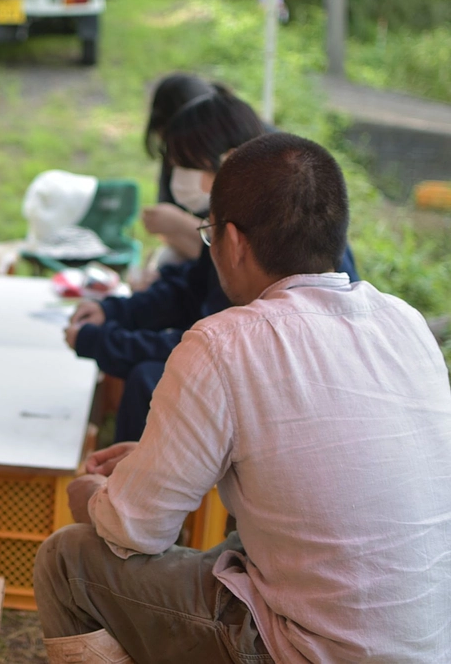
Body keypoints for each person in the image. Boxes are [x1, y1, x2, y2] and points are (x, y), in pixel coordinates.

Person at [36, 132, 451, 664]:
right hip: (429, 645)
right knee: (238, 548)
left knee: (67, 560)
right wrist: (152, 460)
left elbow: (136, 530)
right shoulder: (405, 322)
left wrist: (96, 498)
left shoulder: (222, 341)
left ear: (231, 241)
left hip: (311, 649)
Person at [66, 88, 360, 445]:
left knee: (151, 379)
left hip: (284, 390)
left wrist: (103, 340)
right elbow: (190, 291)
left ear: (230, 158)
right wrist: (114, 312)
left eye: (187, 166)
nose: (178, 179)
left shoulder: (261, 237)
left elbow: (208, 349)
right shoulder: (244, 212)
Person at [137, 73, 216, 271]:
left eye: (188, 162)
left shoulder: (256, 168)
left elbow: (236, 259)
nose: (177, 167)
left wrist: (181, 224)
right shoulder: (177, 148)